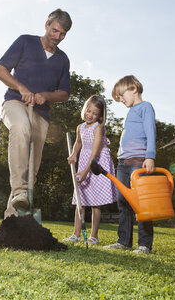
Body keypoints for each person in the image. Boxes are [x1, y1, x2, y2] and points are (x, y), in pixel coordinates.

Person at [0, 8, 72, 218]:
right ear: (47, 25)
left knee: (31, 167)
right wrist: (21, 88)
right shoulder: (25, 42)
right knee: (21, 128)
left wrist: (46, 95)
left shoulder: (63, 60)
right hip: (15, 103)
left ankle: (13, 218)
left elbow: (64, 93)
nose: (57, 37)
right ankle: (19, 191)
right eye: (55, 30)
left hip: (41, 114)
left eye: (62, 34)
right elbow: (0, 70)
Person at [103, 75, 156, 254]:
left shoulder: (145, 107)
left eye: (121, 95)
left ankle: (144, 244)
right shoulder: (131, 112)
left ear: (133, 88)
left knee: (141, 202)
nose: (120, 99)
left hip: (139, 161)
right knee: (123, 201)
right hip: (123, 162)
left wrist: (150, 156)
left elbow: (150, 132)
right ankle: (124, 241)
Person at [64, 95, 117, 245]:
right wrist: (74, 154)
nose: (90, 115)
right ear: (84, 109)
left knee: (95, 203)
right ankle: (76, 234)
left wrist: (86, 171)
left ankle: (94, 236)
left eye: (94, 113)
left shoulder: (98, 128)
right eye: (88, 111)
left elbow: (94, 154)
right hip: (83, 164)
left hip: (96, 165)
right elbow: (78, 143)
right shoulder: (80, 127)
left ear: (100, 115)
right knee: (80, 200)